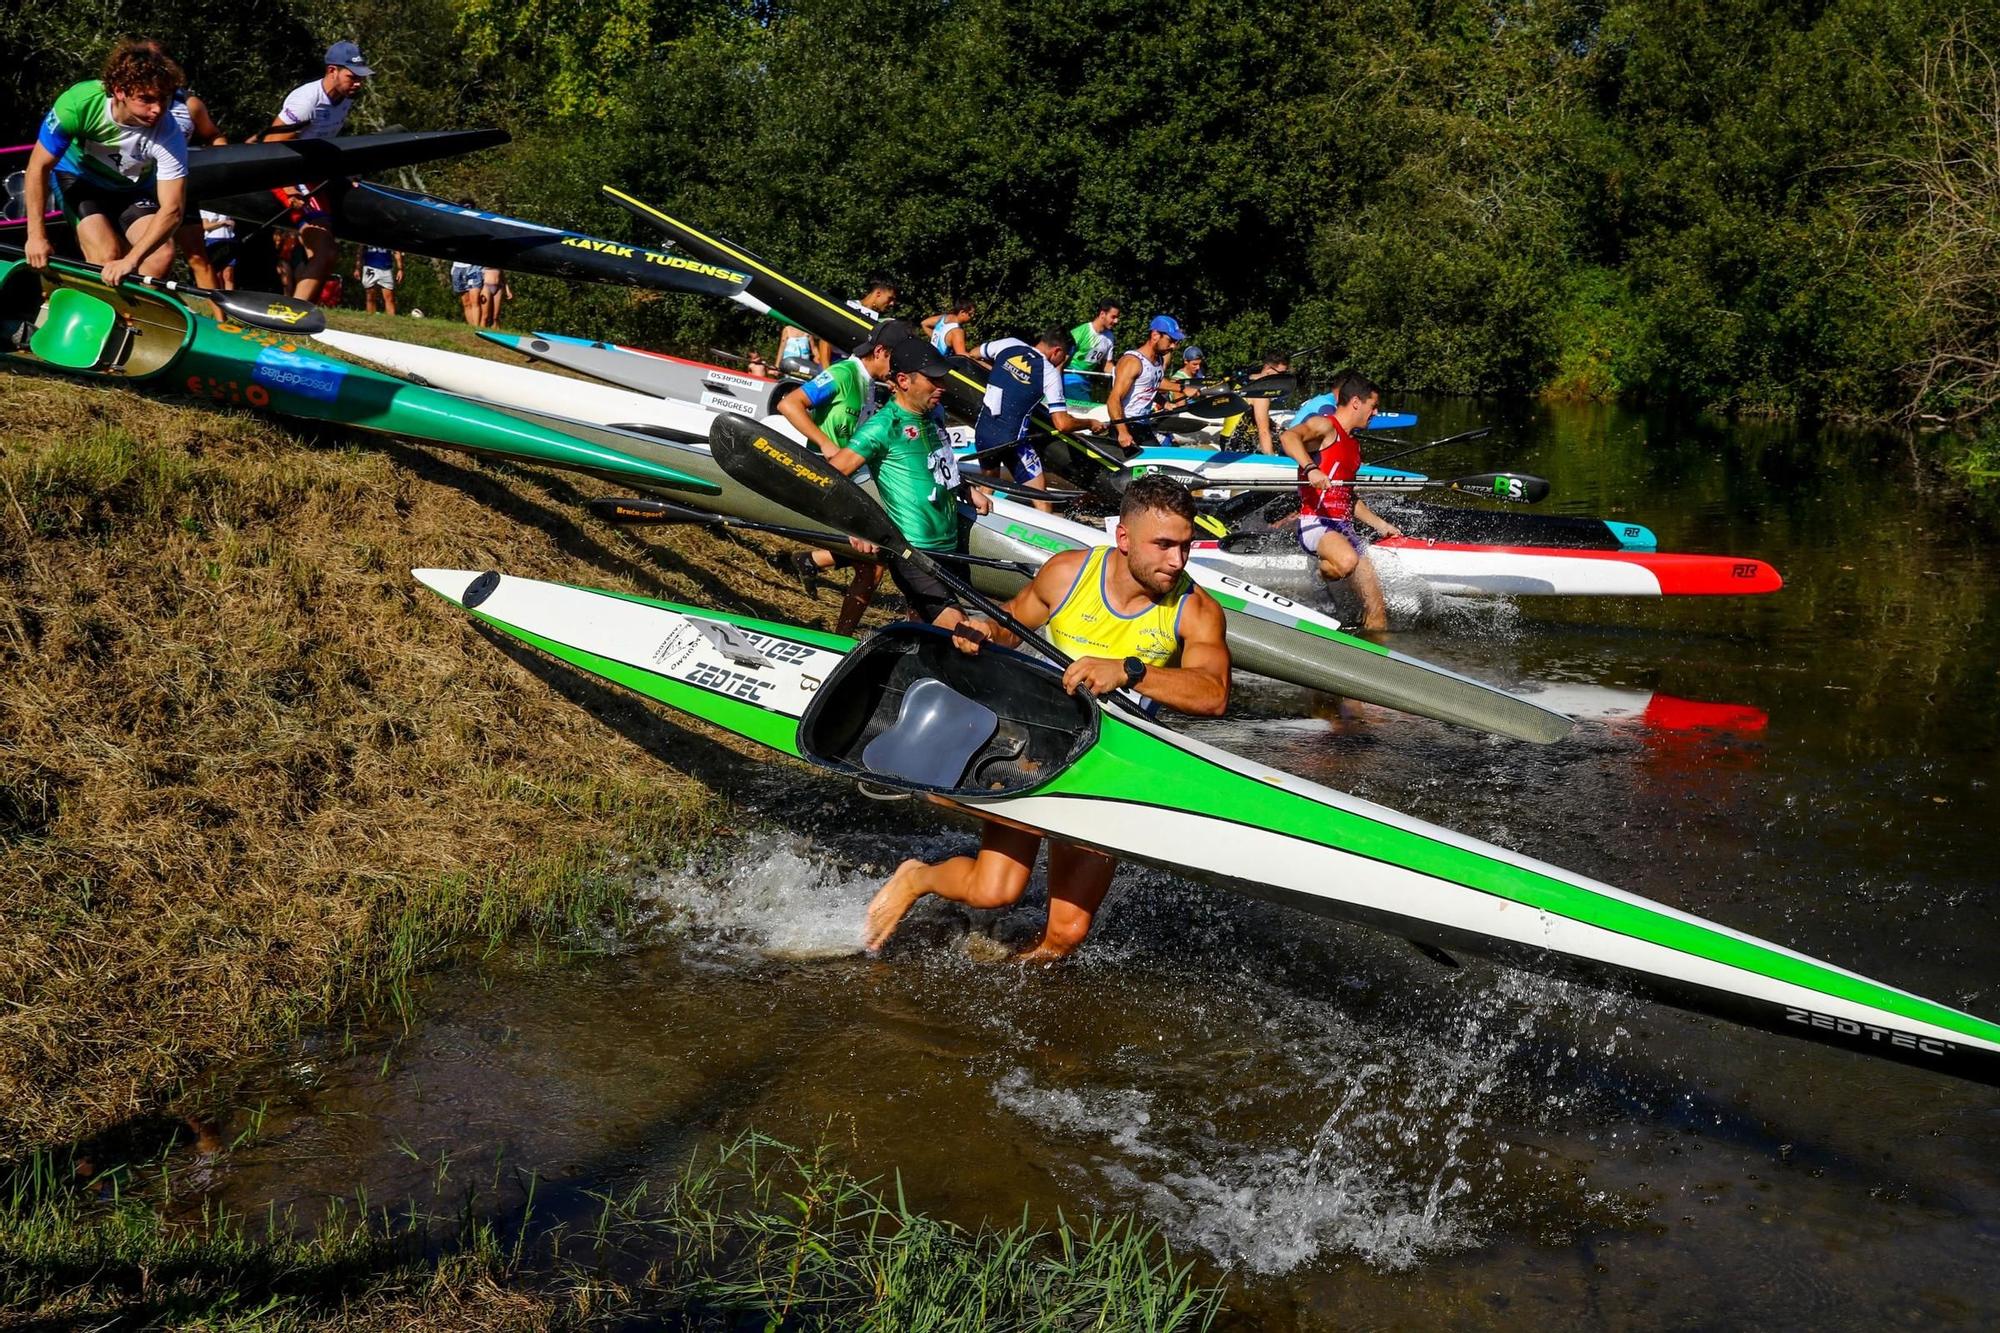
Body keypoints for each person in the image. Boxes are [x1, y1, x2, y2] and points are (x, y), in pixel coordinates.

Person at [861, 473, 1230, 958]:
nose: (1176, 561)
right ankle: (917, 877)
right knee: (995, 893)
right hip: (1038, 746)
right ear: (1123, 537)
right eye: (1162, 545)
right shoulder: (1068, 574)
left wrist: (1129, 671)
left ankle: (1001, 1002)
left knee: (1065, 938)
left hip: (1112, 767)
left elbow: (1214, 694)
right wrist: (983, 632)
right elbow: (1012, 623)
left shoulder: (1195, 608)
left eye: (1184, 546)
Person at [822, 338, 991, 629]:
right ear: (903, 380)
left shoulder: (929, 417)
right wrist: (855, 525)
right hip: (913, 551)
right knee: (960, 631)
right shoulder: (883, 426)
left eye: (943, 379)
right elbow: (829, 477)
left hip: (948, 546)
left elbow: (936, 467)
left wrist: (965, 489)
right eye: (933, 380)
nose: (943, 387)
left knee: (926, 633)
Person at [22, 41, 190, 286]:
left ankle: (138, 317)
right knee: (106, 255)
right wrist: (36, 235)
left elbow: (172, 210)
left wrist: (131, 260)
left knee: (160, 257)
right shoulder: (79, 104)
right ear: (120, 91)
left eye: (163, 99)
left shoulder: (168, 133)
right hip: (79, 179)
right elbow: (38, 167)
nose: (157, 110)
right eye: (146, 99)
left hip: (131, 189)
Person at [777, 326, 900, 633]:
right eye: (896, 361)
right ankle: (842, 636)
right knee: (874, 562)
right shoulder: (845, 373)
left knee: (875, 558)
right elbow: (789, 404)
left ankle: (813, 568)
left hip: (851, 480)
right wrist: (825, 443)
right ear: (882, 352)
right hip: (825, 478)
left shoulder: (872, 384)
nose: (899, 371)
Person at [1277, 371, 1403, 631]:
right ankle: (1323, 571)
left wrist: (1381, 525)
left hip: (1343, 528)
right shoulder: (1325, 426)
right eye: (1373, 406)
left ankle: (1368, 661)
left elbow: (1348, 497)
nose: (1376, 413)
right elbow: (1288, 437)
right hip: (1316, 523)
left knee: (1377, 614)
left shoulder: (1354, 446)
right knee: (1346, 561)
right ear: (1356, 402)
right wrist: (1311, 468)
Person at [265, 41, 372, 301]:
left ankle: (299, 312)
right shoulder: (307, 101)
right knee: (324, 251)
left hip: (313, 176)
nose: (358, 83)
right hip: (289, 174)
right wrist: (289, 187)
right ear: (332, 71)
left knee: (329, 255)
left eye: (361, 78)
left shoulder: (344, 100)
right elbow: (270, 144)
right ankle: (293, 316)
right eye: (352, 77)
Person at [969, 327, 1096, 510]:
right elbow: (1062, 424)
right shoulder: (1049, 373)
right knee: (1042, 498)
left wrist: (1000, 373)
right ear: (1057, 351)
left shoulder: (1009, 343)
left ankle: (976, 520)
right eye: (1065, 357)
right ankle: (1048, 535)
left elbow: (971, 355)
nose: (1064, 362)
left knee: (988, 485)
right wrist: (1090, 423)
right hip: (1011, 443)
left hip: (983, 432)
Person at [162, 81, 226, 287]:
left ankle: (220, 319)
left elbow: (214, 135)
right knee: (159, 255)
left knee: (198, 257)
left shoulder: (190, 104)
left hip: (180, 187)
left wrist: (221, 161)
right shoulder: (130, 98)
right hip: (140, 187)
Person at [1105, 315, 1184, 451]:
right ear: (1155, 335)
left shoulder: (1158, 360)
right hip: (1125, 425)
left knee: (1160, 461)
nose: (1173, 346)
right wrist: (1123, 432)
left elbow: (1147, 387)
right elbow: (1113, 399)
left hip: (1143, 425)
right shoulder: (1132, 361)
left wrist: (1164, 403)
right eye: (1170, 340)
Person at [811, 272, 899, 367]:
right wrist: (826, 370)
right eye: (890, 298)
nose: (892, 304)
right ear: (878, 293)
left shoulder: (878, 321)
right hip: (834, 363)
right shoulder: (849, 308)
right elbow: (826, 339)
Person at [1246, 351, 1293, 452]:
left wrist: (1275, 427)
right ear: (1267, 368)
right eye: (1281, 374)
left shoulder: (1248, 379)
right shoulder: (1261, 393)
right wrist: (1271, 460)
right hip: (1239, 445)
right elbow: (1263, 431)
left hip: (1227, 437)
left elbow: (1251, 413)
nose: (1283, 378)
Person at [922, 296, 983, 366]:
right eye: (970, 314)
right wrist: (978, 361)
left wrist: (936, 338)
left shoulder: (943, 318)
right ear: (962, 312)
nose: (972, 317)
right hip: (939, 366)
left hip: (928, 358)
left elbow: (924, 323)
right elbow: (962, 356)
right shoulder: (957, 331)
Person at [1067, 298, 1120, 374]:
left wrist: (1120, 372)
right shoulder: (1080, 332)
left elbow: (1107, 365)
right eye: (1113, 317)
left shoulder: (1110, 337)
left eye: (1117, 317)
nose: (1116, 321)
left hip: (1086, 379)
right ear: (1102, 314)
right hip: (1069, 375)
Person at [354, 242, 402, 314]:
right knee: (370, 296)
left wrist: (400, 269)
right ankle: (370, 317)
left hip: (386, 268)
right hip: (370, 267)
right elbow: (360, 251)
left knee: (390, 298)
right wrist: (357, 268)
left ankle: (391, 320)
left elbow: (396, 252)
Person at [199, 211, 238, 288]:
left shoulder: (226, 204)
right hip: (213, 240)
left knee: (228, 274)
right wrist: (222, 223)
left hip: (229, 239)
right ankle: (218, 297)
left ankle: (229, 298)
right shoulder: (204, 208)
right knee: (217, 274)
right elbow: (206, 226)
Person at [450, 255, 484, 326]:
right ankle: (471, 328)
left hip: (474, 268)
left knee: (475, 300)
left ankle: (477, 327)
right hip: (458, 268)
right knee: (466, 303)